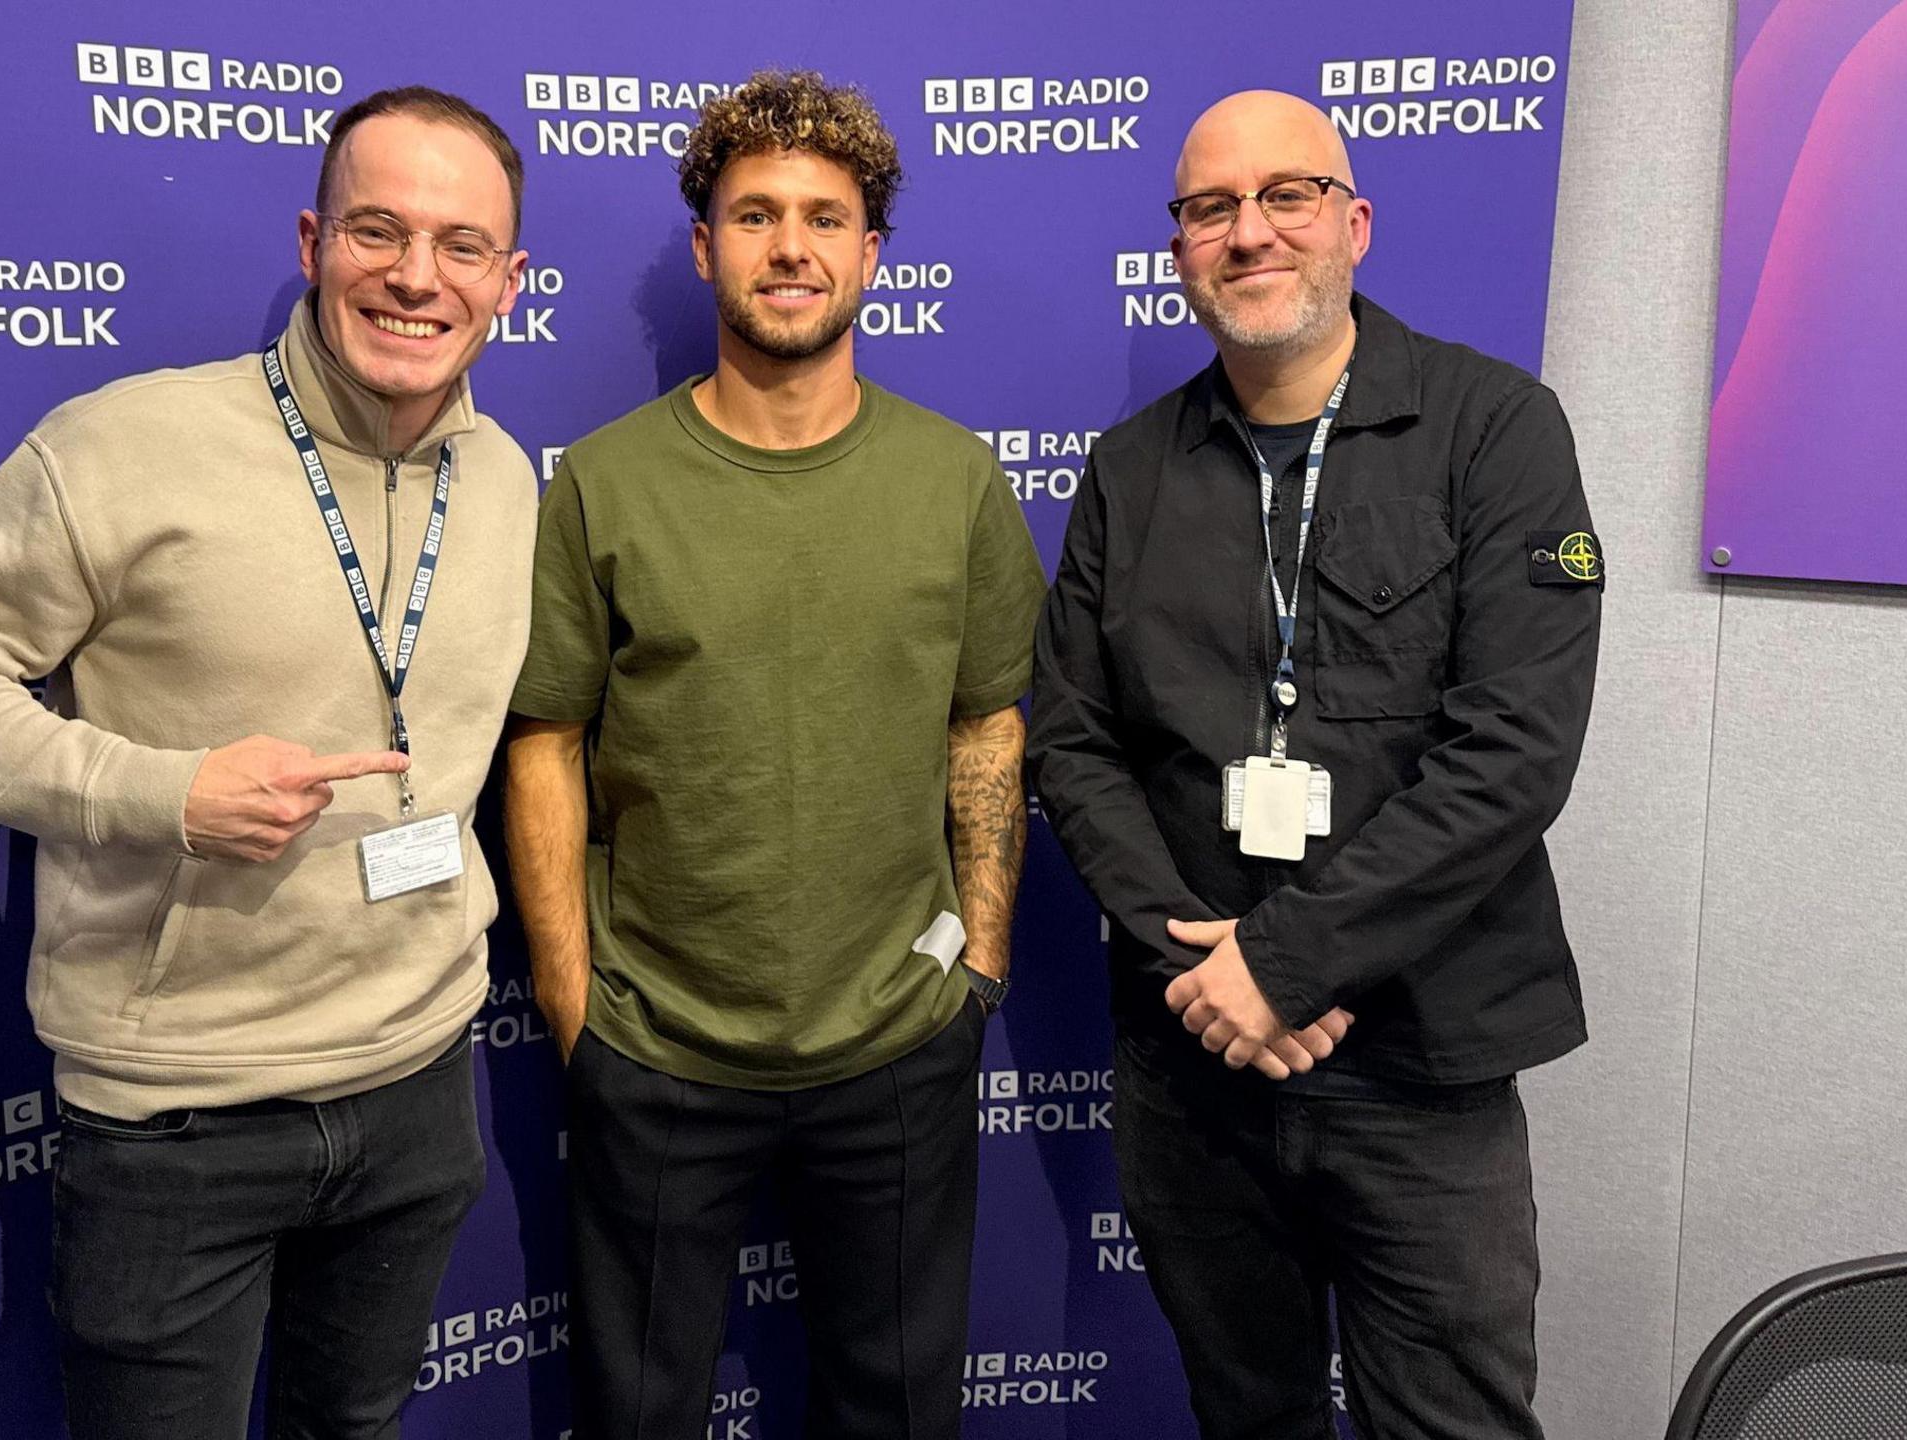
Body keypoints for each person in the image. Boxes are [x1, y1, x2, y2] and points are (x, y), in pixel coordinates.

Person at [0, 86, 539, 1440]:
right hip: (179, 1121)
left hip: (418, 1088)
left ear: (508, 281)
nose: (415, 275)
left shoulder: (505, 481)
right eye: (376, 230)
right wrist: (158, 792)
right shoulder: (124, 446)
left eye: (462, 246)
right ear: (310, 238)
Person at [1027, 90, 1604, 1440]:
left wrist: (1287, 967)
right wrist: (1207, 974)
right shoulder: (1130, 469)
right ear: (1179, 245)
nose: (1248, 233)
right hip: (1195, 1064)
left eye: (1286, 195)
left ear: (1353, 222)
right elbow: (1074, 736)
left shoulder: (1497, 431)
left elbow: (1514, 752)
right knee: (1246, 1415)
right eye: (1211, 207)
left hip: (1419, 1067)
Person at [501, 69, 1046, 1440]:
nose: (789, 246)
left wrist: (978, 963)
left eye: (823, 216)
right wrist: (577, 1005)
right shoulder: (606, 483)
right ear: (705, 248)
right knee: (637, 1414)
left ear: (870, 252)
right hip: (657, 1048)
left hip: (900, 1044)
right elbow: (545, 740)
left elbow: (988, 722)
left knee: (900, 1413)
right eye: (754, 215)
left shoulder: (955, 479)